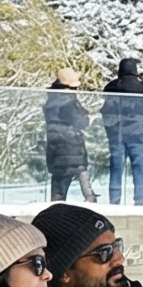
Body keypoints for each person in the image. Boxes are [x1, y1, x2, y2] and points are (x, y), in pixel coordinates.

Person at [101, 57, 143, 206]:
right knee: (139, 168)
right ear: (135, 71)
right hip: (138, 134)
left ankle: (114, 201)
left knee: (116, 168)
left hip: (117, 133)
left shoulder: (111, 87)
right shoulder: (142, 88)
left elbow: (106, 109)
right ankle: (139, 201)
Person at [43, 69, 93, 201]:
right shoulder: (69, 102)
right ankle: (91, 200)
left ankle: (56, 206)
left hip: (54, 147)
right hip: (72, 146)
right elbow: (81, 122)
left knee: (58, 184)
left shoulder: (50, 100)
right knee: (82, 175)